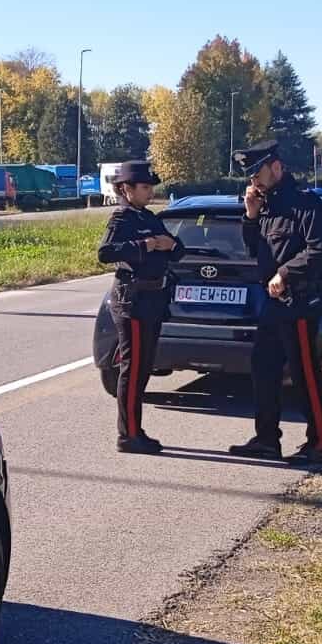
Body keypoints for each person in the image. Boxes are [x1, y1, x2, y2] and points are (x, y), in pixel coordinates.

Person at [226, 138, 322, 466]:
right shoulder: (266, 206)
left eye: (257, 173)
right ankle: (266, 440)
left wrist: (286, 273)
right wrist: (250, 215)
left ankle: (318, 444)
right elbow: (253, 249)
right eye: (249, 177)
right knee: (263, 368)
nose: (253, 181)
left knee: (305, 375)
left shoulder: (305, 205)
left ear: (276, 167)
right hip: (274, 306)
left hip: (300, 302)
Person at [97, 160, 184, 454]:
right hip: (132, 301)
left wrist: (168, 245)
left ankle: (135, 430)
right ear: (126, 189)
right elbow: (106, 252)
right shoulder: (121, 218)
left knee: (144, 367)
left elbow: (178, 248)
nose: (149, 192)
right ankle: (128, 434)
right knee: (132, 370)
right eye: (144, 187)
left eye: (150, 187)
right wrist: (146, 245)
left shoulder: (149, 216)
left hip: (153, 301)